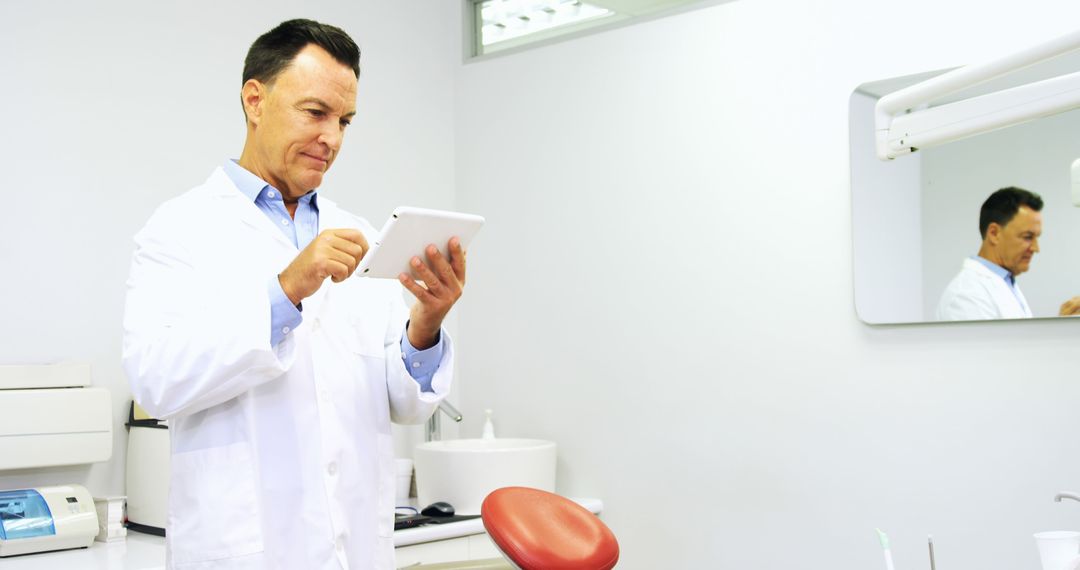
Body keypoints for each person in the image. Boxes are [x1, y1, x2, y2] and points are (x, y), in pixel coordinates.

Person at [122, 19, 464, 569]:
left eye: (345, 121)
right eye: (316, 112)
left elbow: (401, 403)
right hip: (244, 547)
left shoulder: (360, 236)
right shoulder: (180, 229)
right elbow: (155, 381)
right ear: (254, 99)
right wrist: (286, 292)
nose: (333, 138)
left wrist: (425, 324)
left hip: (353, 545)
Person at [936, 187, 1043, 321]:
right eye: (1027, 237)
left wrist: (1063, 327)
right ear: (994, 233)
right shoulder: (967, 295)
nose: (1036, 248)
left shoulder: (1005, 282)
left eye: (1036, 237)